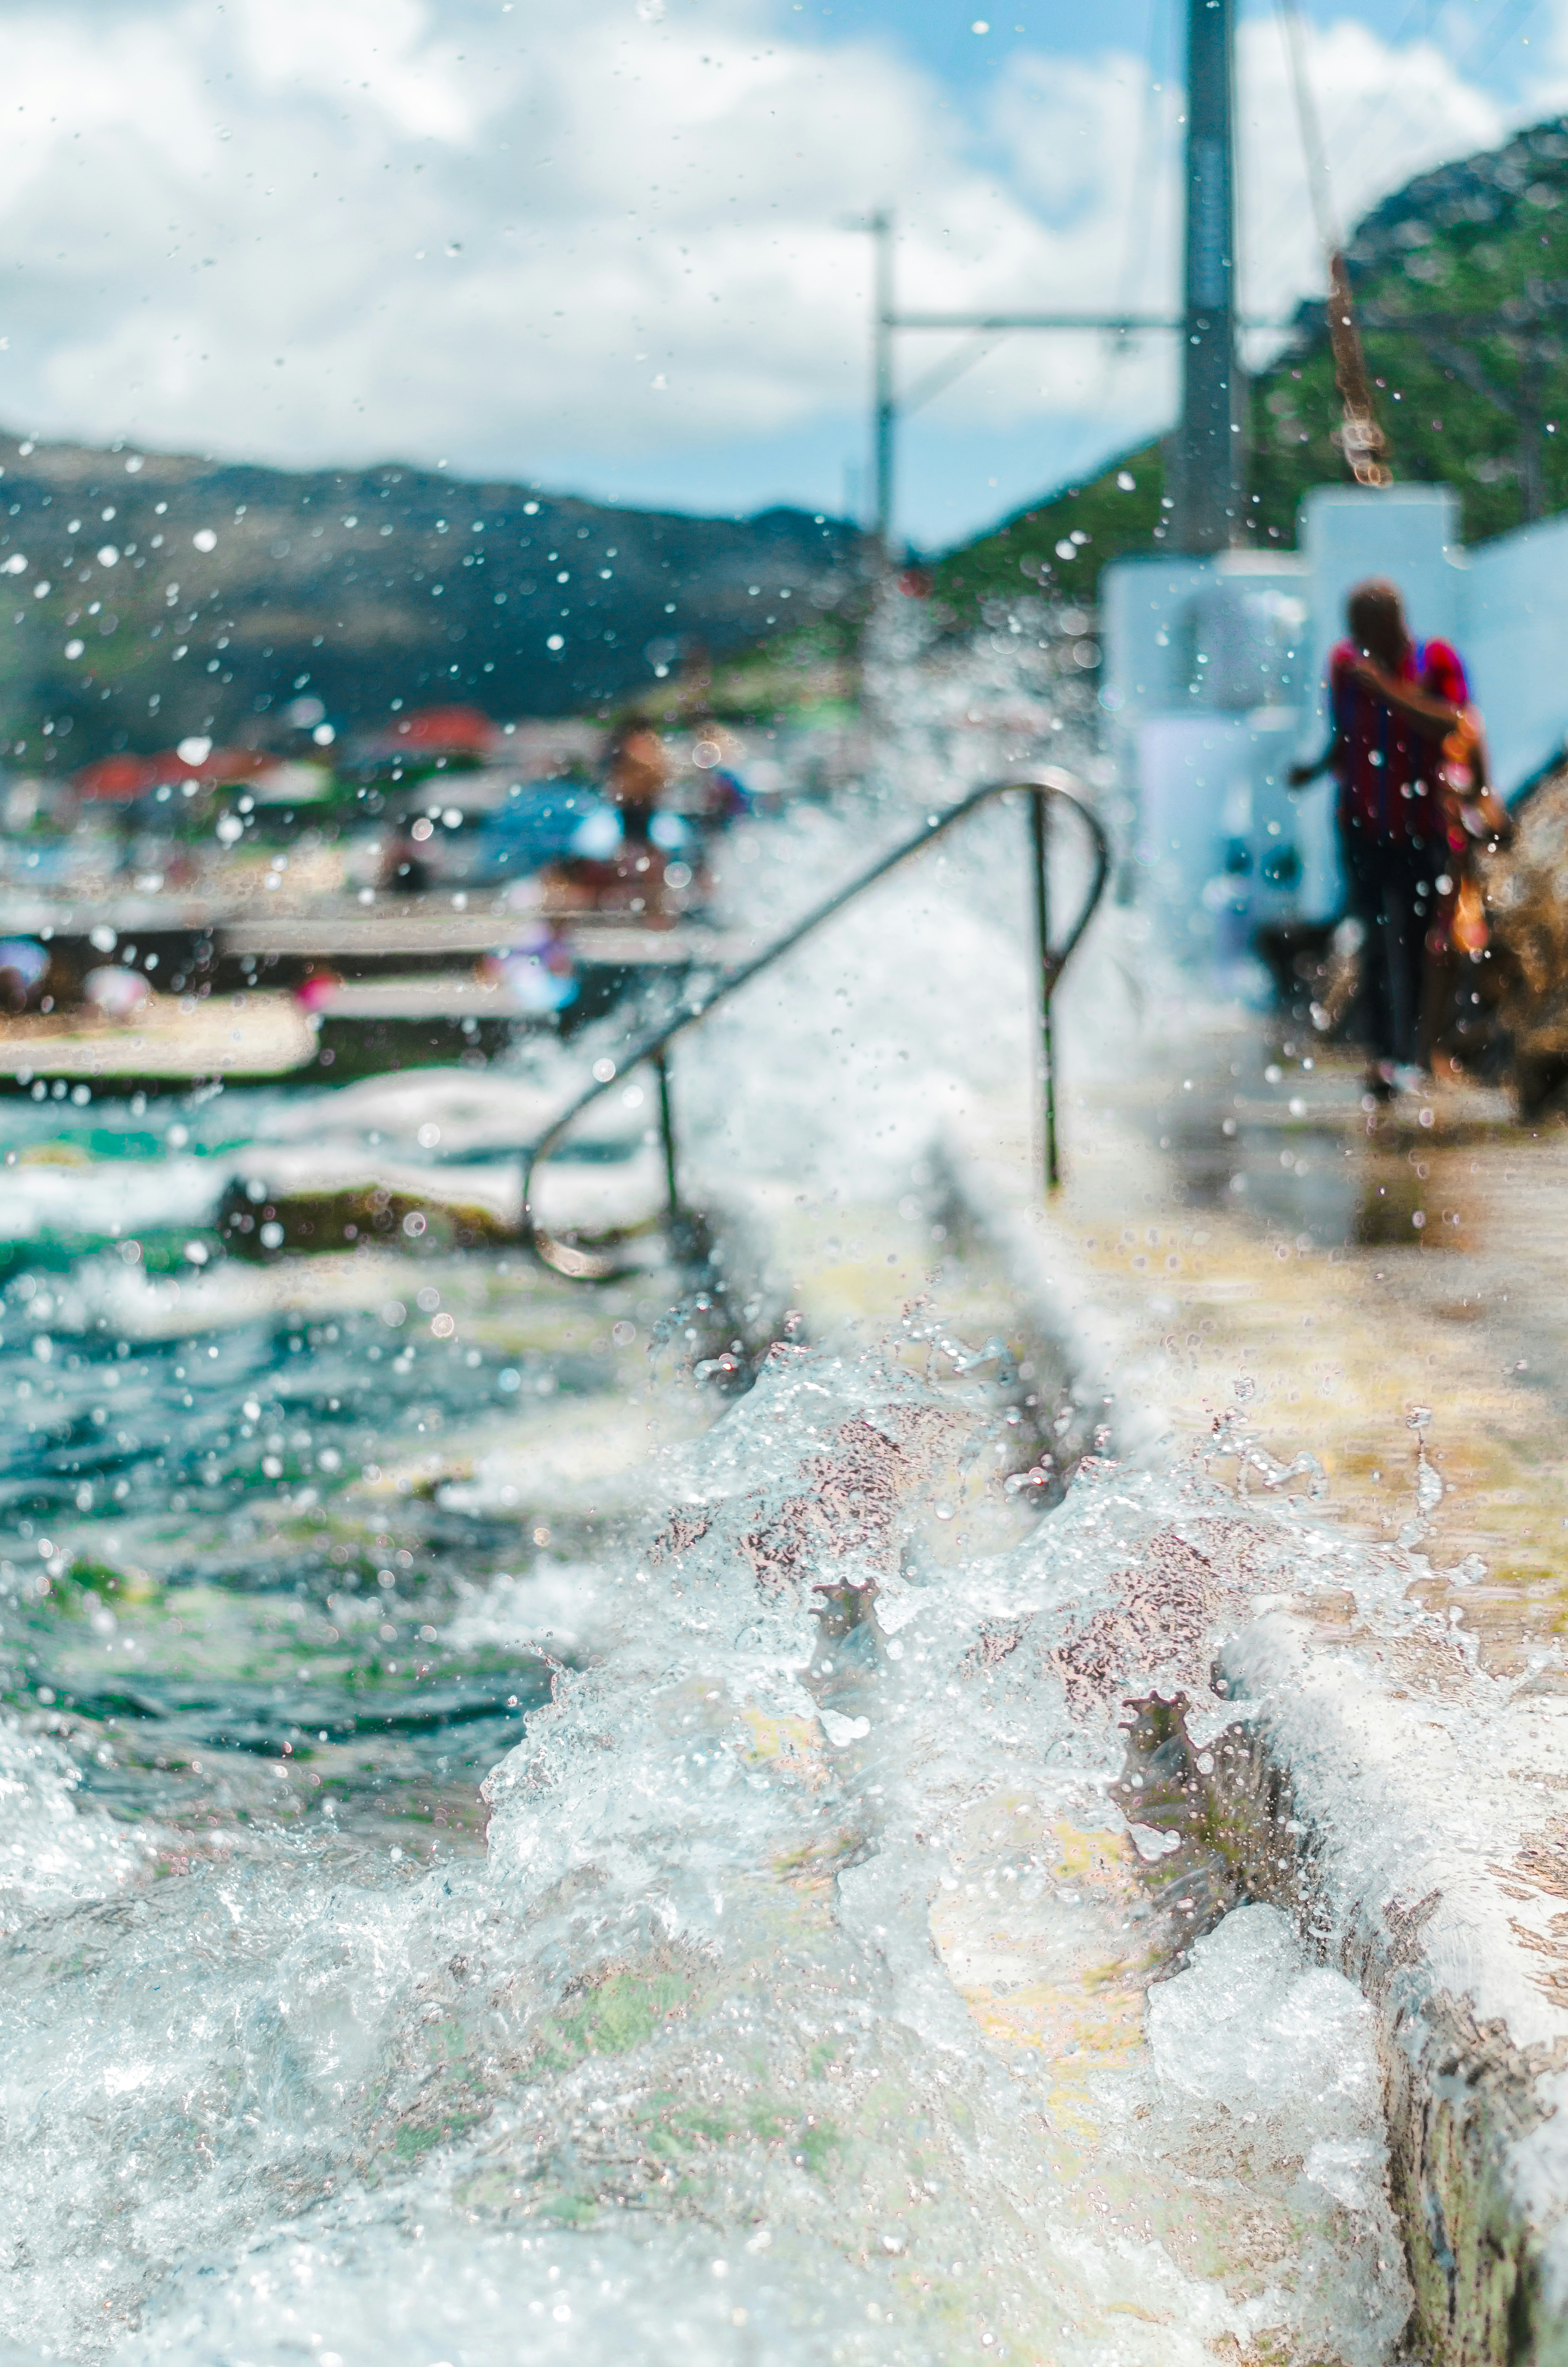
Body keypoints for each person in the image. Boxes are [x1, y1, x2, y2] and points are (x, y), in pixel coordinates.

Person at [1289, 578, 1467, 1096]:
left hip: (1421, 828)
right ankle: (1383, 1059)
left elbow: (1450, 725)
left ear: (1395, 622)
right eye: (1356, 631)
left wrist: (1388, 688)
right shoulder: (1344, 666)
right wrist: (1316, 769)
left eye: (1371, 629)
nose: (1363, 641)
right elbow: (1346, 740)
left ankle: (1419, 1052)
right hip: (1362, 828)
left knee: (1416, 941)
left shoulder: (1434, 662)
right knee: (1373, 939)